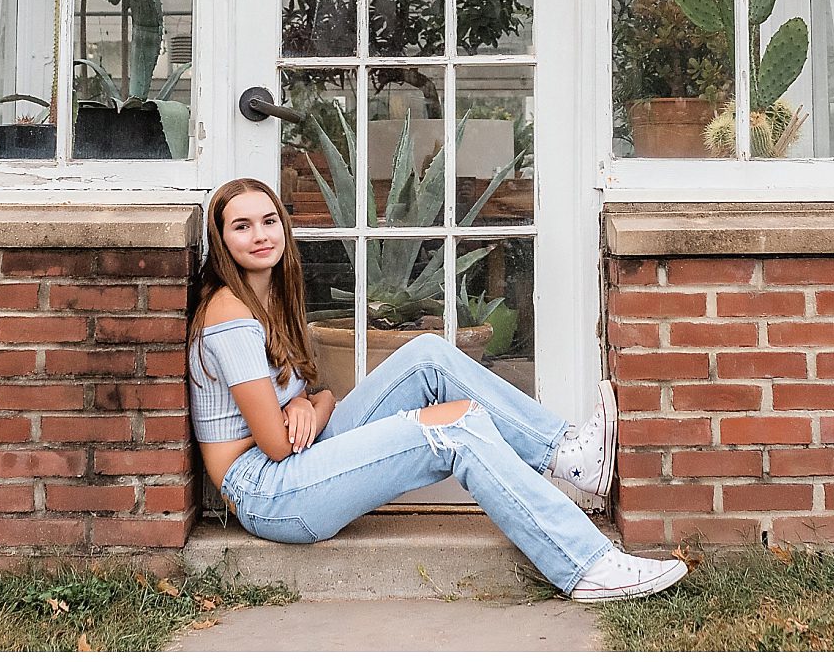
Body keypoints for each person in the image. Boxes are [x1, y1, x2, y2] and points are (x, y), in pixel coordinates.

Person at [187, 176, 689, 602]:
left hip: (297, 456)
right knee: (455, 428)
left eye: (268, 220)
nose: (259, 235)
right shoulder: (230, 313)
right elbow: (276, 443)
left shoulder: (269, 297)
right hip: (267, 490)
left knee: (429, 355)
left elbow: (317, 393)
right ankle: (585, 565)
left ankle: (569, 453)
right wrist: (313, 408)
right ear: (221, 239)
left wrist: (307, 401)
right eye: (241, 226)